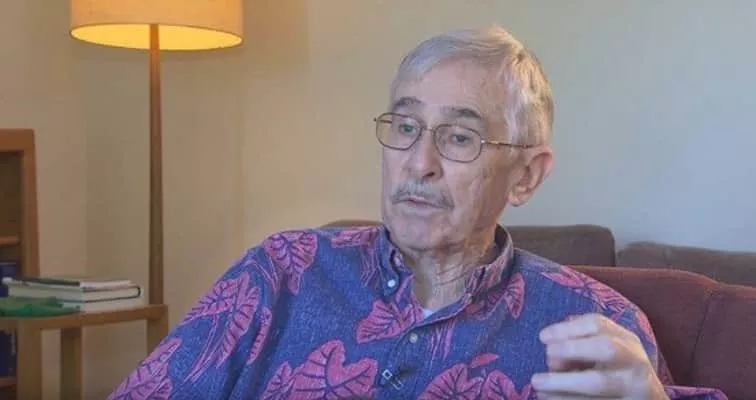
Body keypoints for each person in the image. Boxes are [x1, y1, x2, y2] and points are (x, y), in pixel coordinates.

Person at [109, 26, 727, 399]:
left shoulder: (596, 325)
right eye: (405, 127)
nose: (418, 162)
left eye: (459, 137)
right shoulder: (280, 271)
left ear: (527, 176)